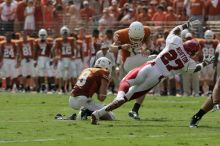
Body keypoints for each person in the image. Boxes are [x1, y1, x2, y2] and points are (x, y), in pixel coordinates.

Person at [91, 19, 215, 125]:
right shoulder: (188, 62)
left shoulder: (175, 42)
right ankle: (99, 113)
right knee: (129, 96)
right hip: (156, 78)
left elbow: (174, 30)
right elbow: (196, 68)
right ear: (192, 52)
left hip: (150, 67)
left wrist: (186, 24)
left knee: (126, 81)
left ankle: (116, 98)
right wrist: (205, 63)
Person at [110, 21, 156, 120]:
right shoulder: (121, 34)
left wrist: (147, 49)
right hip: (128, 62)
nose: (136, 40)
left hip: (139, 58)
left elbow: (149, 44)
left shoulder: (146, 31)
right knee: (155, 58)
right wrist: (121, 47)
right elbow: (111, 49)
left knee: (144, 85)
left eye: (138, 38)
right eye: (134, 38)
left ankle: (134, 110)